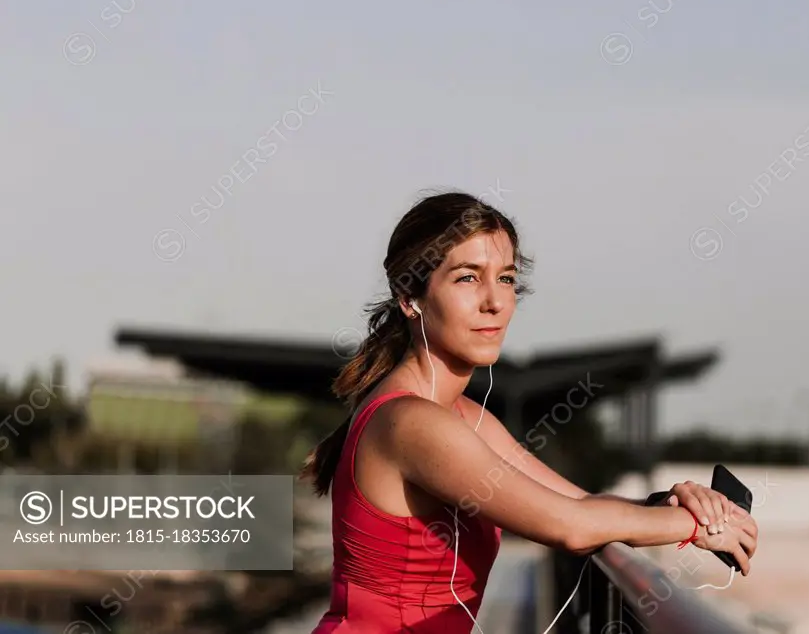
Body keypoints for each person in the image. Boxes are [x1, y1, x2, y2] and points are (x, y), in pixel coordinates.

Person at [301, 191, 758, 633]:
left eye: (505, 278)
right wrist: (699, 525)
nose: (495, 302)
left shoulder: (465, 417)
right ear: (410, 297)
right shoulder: (412, 422)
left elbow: (578, 503)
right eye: (467, 277)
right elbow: (569, 528)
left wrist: (669, 502)